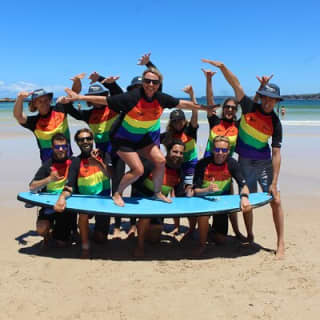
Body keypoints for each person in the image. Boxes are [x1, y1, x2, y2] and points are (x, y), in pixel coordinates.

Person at [63, 67, 214, 208]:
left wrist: (204, 108)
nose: (150, 84)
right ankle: (117, 193)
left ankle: (157, 193)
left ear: (158, 84)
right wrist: (79, 97)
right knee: (138, 170)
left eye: (154, 82)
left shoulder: (161, 98)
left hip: (142, 138)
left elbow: (182, 104)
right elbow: (105, 100)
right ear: (142, 82)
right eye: (147, 81)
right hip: (122, 139)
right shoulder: (132, 97)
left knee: (161, 161)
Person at [202, 59, 285, 258]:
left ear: (276, 102)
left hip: (264, 164)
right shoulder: (248, 108)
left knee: (276, 199)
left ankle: (281, 243)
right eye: (265, 97)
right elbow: (236, 84)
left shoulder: (275, 122)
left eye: (271, 99)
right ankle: (249, 235)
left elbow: (276, 153)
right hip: (244, 162)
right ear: (262, 97)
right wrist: (223, 68)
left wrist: (274, 181)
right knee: (245, 201)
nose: (267, 101)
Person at [54, 128, 111, 259]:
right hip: (85, 201)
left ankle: (88, 231)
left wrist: (97, 161)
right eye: (81, 140)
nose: (85, 141)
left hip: (103, 201)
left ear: (93, 140)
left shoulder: (103, 155)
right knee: (84, 214)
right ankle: (85, 247)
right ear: (77, 143)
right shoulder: (75, 162)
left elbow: (111, 175)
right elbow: (70, 186)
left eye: (88, 138)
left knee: (100, 239)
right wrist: (61, 198)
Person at [193, 136, 252, 256]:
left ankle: (211, 230)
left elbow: (244, 185)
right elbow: (195, 191)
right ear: (213, 150)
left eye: (224, 150)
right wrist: (207, 190)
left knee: (221, 240)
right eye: (218, 149)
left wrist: (244, 197)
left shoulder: (232, 163)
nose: (220, 153)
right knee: (204, 215)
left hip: (221, 203)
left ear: (228, 151)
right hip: (204, 200)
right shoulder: (202, 164)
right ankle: (202, 244)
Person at [132, 139, 191, 258]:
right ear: (168, 152)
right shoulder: (154, 163)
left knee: (154, 239)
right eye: (175, 152)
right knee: (146, 216)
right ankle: (140, 245)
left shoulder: (179, 170)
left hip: (159, 203)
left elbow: (179, 194)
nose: (178, 155)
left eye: (181, 153)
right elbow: (135, 184)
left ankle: (141, 227)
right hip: (145, 199)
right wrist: (149, 199)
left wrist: (190, 193)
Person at [13, 74, 84, 163]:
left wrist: (77, 81)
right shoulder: (34, 122)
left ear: (50, 100)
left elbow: (74, 94)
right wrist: (19, 99)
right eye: (40, 101)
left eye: (46, 100)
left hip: (67, 160)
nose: (44, 103)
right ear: (34, 104)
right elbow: (18, 116)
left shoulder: (60, 109)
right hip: (48, 164)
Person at [161, 85, 199, 233]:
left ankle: (191, 227)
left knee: (189, 193)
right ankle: (176, 225)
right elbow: (150, 142)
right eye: (175, 121)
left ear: (184, 120)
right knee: (173, 194)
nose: (178, 123)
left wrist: (192, 94)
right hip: (174, 168)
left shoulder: (190, 130)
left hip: (190, 165)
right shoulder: (167, 136)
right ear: (171, 122)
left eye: (180, 121)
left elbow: (195, 111)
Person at [29, 133, 75, 247]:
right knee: (41, 229)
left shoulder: (74, 162)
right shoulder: (48, 164)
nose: (61, 149)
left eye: (63, 146)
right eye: (57, 147)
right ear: (52, 148)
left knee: (61, 243)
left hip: (66, 204)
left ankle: (67, 231)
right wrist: (49, 179)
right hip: (48, 204)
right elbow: (32, 186)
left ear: (67, 147)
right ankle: (47, 234)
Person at [201, 69, 239, 158]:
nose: (230, 109)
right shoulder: (215, 121)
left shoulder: (238, 125)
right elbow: (210, 102)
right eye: (227, 107)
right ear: (223, 108)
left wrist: (262, 87)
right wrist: (209, 79)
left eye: (233, 108)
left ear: (236, 110)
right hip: (208, 162)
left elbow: (250, 110)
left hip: (226, 166)